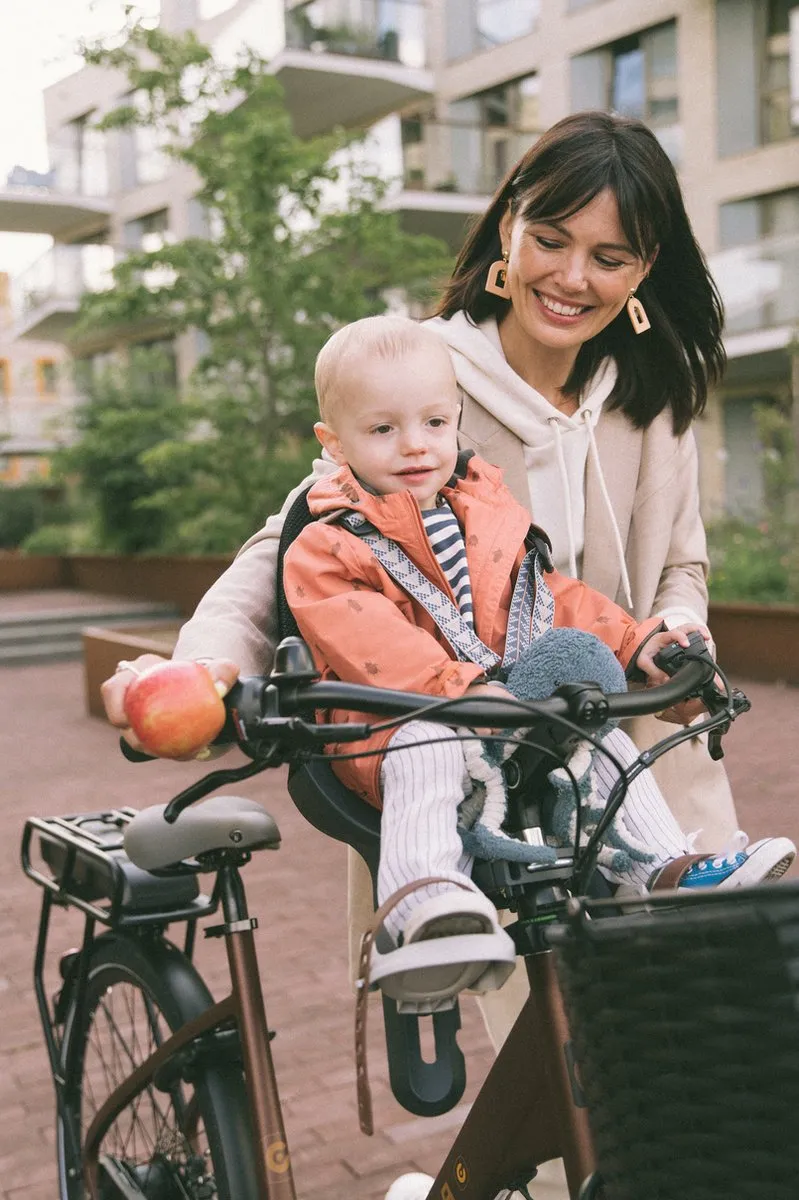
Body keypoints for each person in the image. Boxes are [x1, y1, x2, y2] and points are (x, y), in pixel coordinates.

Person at [101, 111, 743, 1025]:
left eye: (610, 257)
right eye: (551, 240)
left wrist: (679, 633)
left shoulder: (655, 388)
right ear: (507, 227)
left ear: (644, 270)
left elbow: (682, 565)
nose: (571, 278)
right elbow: (286, 546)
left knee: (719, 1056)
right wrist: (202, 672)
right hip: (486, 786)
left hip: (650, 768)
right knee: (570, 1084)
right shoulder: (418, 383)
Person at [280, 313, 793, 1005]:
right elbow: (370, 647)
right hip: (397, 720)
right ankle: (426, 897)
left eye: (434, 423)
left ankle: (663, 867)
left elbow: (549, 595)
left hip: (505, 710)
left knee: (597, 731)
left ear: (454, 418)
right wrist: (462, 691)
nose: (414, 446)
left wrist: (636, 643)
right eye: (382, 430)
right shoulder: (327, 544)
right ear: (332, 442)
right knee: (429, 744)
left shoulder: (483, 512)